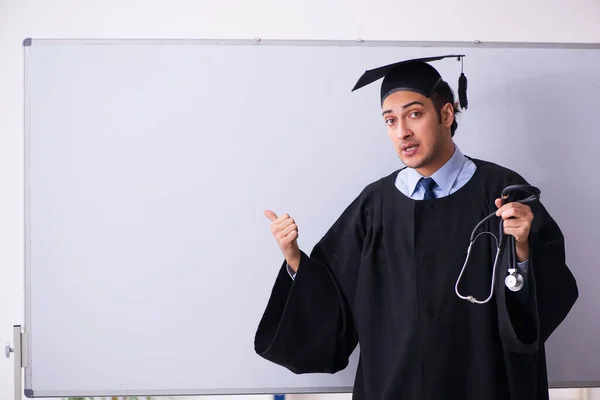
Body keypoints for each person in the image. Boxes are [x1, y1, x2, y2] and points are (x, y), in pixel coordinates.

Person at [253, 54, 578, 400]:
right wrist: (294, 261)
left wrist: (524, 250)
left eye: (414, 114)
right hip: (396, 388)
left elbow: (542, 308)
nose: (402, 131)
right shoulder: (373, 206)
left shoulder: (502, 194)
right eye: (390, 121)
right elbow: (334, 303)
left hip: (484, 385)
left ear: (446, 114)